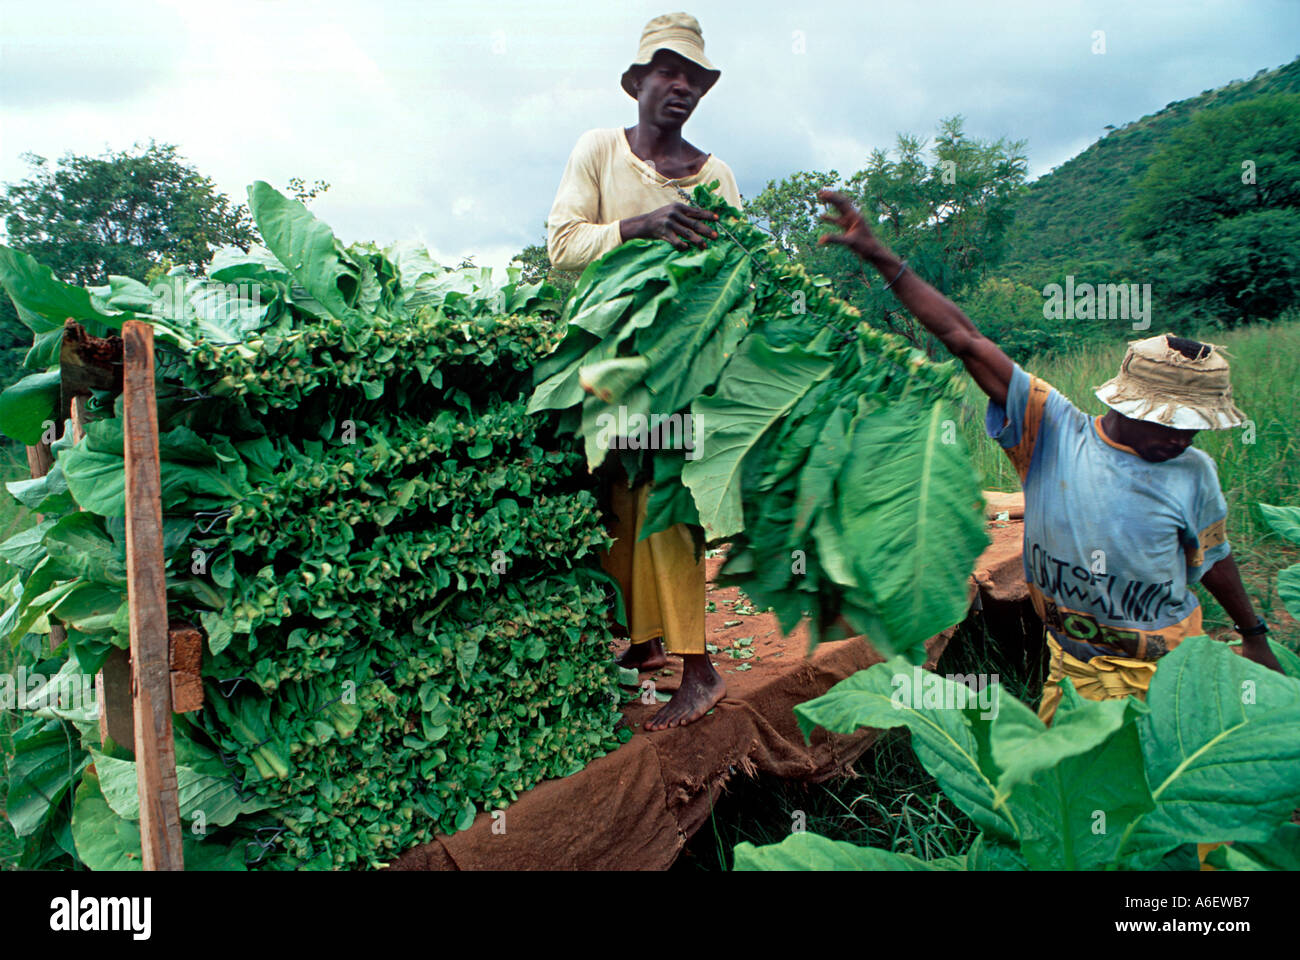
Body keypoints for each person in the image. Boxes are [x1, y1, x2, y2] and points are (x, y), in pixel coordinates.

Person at [815, 188, 1285, 725]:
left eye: (1194, 426)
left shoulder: (1194, 472)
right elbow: (963, 338)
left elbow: (1215, 557)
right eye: (1168, 421)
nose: (1181, 438)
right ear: (1128, 402)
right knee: (1068, 797)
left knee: (1177, 793)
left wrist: (1254, 636)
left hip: (1170, 671)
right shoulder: (1050, 430)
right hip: (1076, 669)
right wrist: (881, 257)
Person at [546, 13, 742, 729]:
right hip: (605, 366)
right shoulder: (600, 151)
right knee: (622, 504)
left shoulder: (715, 176)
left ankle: (701, 670)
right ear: (637, 82)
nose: (680, 87)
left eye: (693, 78)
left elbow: (732, 275)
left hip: (680, 373)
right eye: (667, 72)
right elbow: (564, 245)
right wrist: (640, 226)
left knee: (669, 509)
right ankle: (647, 642)